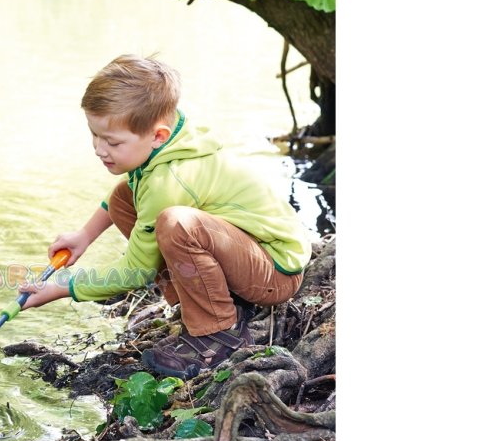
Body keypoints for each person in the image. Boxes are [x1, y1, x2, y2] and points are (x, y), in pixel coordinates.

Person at [19, 54, 312, 380]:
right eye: (95, 135)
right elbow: (133, 190)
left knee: (177, 225)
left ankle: (217, 334)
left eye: (112, 142)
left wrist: (63, 287)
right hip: (248, 253)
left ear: (157, 135)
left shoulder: (170, 179)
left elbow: (136, 271)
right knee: (124, 197)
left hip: (274, 272)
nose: (99, 149)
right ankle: (204, 304)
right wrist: (85, 236)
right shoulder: (171, 137)